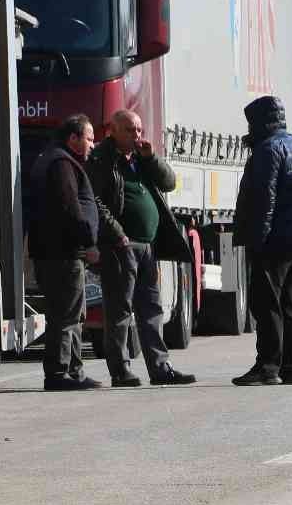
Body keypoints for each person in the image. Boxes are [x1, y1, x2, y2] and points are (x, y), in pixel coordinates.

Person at [86, 109, 196, 386]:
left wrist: (152, 158)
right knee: (120, 310)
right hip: (120, 245)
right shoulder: (102, 159)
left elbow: (169, 183)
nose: (137, 136)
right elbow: (96, 202)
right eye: (130, 131)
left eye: (139, 130)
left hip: (148, 245)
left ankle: (160, 368)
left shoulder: (140, 158)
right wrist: (118, 235)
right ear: (114, 130)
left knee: (151, 308)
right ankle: (120, 370)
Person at [230, 95, 292, 386]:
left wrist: (258, 237)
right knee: (290, 303)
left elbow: (264, 198)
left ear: (259, 122)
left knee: (266, 302)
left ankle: (268, 366)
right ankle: (291, 366)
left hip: (276, 237)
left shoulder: (269, 150)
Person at [26, 115, 107, 391]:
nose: (93, 145)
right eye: (89, 138)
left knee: (71, 313)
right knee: (67, 314)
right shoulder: (61, 164)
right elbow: (70, 208)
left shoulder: (54, 159)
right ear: (73, 138)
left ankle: (73, 371)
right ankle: (60, 373)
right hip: (62, 253)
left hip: (56, 252)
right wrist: (89, 243)